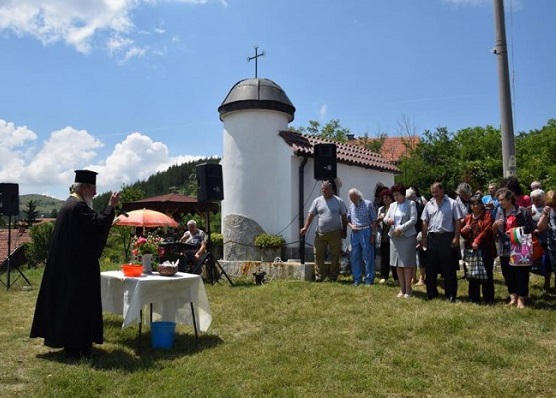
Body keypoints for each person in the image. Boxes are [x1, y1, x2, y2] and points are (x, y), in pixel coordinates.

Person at [30, 170, 120, 359]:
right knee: (78, 306)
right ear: (85, 187)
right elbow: (96, 225)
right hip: (76, 269)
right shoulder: (78, 206)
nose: (95, 193)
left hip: (70, 266)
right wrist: (110, 207)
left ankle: (75, 344)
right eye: (93, 189)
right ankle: (77, 346)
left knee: (71, 306)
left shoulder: (71, 204)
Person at [421, 182, 464, 302]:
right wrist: (424, 238)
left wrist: (456, 237)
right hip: (432, 238)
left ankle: (450, 294)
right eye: (432, 192)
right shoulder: (429, 204)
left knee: (448, 268)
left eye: (436, 192)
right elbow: (424, 221)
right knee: (431, 267)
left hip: (447, 237)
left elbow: (457, 221)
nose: (434, 194)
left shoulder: (452, 203)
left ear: (442, 190)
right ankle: (431, 293)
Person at [492, 188, 535, 308]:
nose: (500, 203)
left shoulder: (521, 211)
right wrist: (494, 226)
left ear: (510, 199)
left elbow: (530, 227)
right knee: (507, 273)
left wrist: (515, 231)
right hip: (504, 247)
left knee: (521, 273)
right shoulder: (499, 212)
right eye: (499, 200)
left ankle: (521, 299)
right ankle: (513, 297)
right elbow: (495, 232)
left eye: (502, 200)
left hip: (519, 248)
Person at [301, 181, 348, 282]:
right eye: (322, 189)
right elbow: (311, 215)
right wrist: (305, 227)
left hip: (335, 233)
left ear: (332, 190)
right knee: (318, 255)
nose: (323, 190)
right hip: (320, 234)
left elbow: (344, 216)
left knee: (335, 256)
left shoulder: (339, 201)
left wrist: (344, 230)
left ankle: (333, 277)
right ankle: (319, 277)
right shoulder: (317, 201)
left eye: (325, 189)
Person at [460, 195, 496, 304]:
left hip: (486, 248)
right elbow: (464, 234)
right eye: (472, 204)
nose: (475, 206)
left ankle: (488, 298)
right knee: (472, 274)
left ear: (481, 205)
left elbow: (488, 230)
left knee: (487, 274)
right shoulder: (468, 217)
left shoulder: (487, 215)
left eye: (477, 204)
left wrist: (477, 241)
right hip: (471, 250)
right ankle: (474, 298)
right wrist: (463, 231)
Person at [383, 184, 417, 298]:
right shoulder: (392, 205)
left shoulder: (411, 204)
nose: (395, 197)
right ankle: (401, 289)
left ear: (403, 194)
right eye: (394, 195)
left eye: (397, 195)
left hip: (407, 237)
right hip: (394, 238)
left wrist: (401, 228)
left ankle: (408, 289)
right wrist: (389, 221)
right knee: (397, 264)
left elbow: (413, 220)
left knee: (406, 264)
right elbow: (384, 218)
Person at [346, 188, 376, 286]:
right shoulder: (351, 206)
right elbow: (348, 219)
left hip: (366, 230)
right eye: (351, 199)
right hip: (355, 233)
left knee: (368, 256)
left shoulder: (368, 204)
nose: (352, 201)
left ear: (359, 196)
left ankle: (369, 279)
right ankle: (357, 279)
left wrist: (373, 234)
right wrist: (351, 226)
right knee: (355, 256)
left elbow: (374, 221)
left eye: (354, 198)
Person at [530, 189, 549, 291]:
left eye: (538, 199)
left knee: (545, 261)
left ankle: (547, 283)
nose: (536, 202)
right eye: (534, 200)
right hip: (533, 240)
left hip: (545, 239)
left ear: (543, 199)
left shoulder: (547, 209)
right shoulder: (529, 209)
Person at [406, 187, 426, 285]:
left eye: (410, 197)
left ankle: (422, 278)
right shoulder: (406, 208)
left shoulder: (421, 207)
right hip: (409, 235)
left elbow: (424, 222)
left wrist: (422, 235)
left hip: (419, 234)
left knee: (421, 256)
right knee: (411, 257)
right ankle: (413, 278)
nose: (408, 199)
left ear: (414, 197)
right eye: (407, 198)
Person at [377, 189, 397, 284]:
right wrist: (379, 219)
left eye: (387, 197)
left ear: (391, 198)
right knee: (384, 257)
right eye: (383, 198)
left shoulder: (395, 207)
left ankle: (396, 277)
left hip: (393, 235)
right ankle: (384, 276)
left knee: (394, 257)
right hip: (383, 235)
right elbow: (377, 222)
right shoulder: (381, 209)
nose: (385, 199)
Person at [537, 190, 556, 293]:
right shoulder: (548, 211)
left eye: (554, 204)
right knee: (549, 266)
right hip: (552, 245)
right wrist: (544, 214)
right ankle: (547, 284)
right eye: (550, 204)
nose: (553, 207)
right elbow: (540, 227)